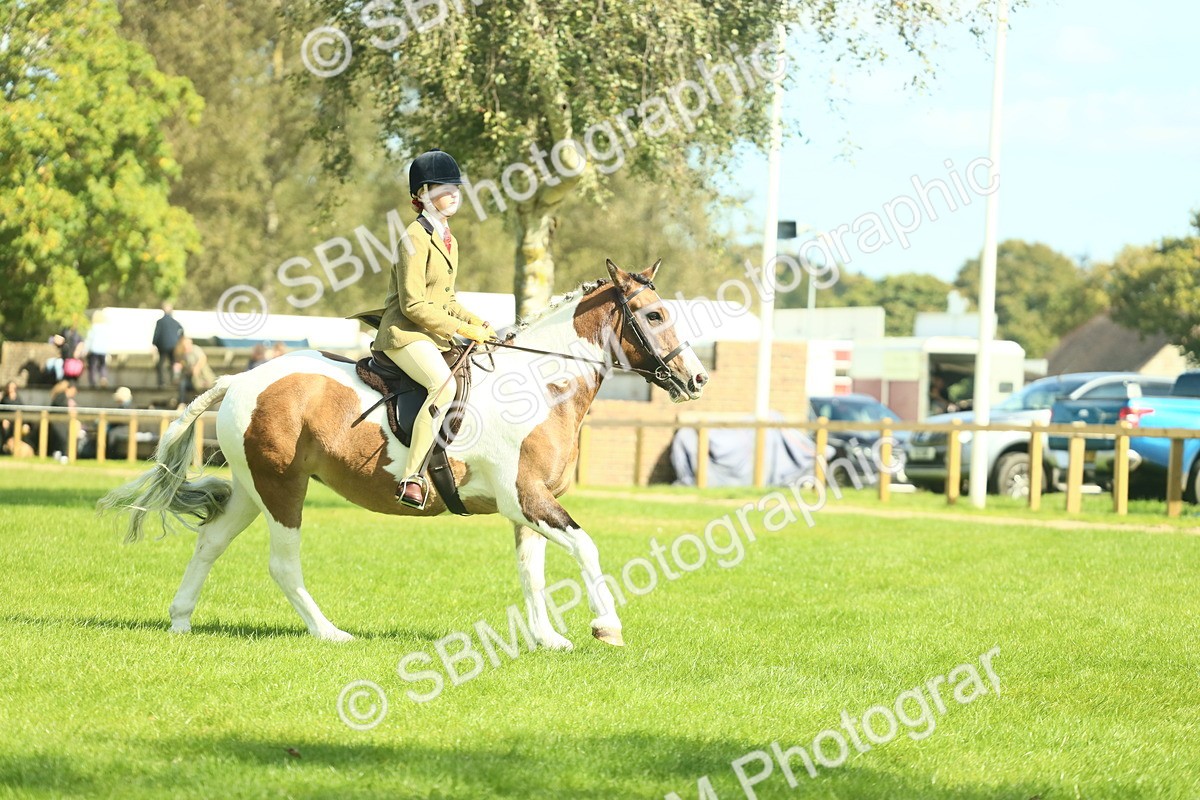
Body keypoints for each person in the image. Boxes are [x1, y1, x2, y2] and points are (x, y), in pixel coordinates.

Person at [351, 149, 494, 509]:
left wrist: (476, 323)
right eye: (445, 188)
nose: (455, 194)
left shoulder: (449, 239)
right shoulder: (412, 239)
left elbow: (446, 298)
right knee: (442, 389)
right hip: (404, 333)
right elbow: (414, 303)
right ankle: (411, 477)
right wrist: (462, 328)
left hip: (430, 332)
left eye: (456, 187)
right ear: (422, 194)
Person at [152, 303, 184, 387]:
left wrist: (154, 343)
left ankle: (161, 382)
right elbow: (182, 331)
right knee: (173, 363)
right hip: (173, 345)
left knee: (161, 364)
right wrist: (178, 340)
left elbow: (157, 334)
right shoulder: (175, 322)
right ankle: (174, 379)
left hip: (162, 346)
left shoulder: (160, 322)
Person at [177, 337, 215, 407]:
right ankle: (182, 403)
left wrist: (197, 367)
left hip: (203, 377)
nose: (186, 347)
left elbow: (203, 358)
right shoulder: (185, 354)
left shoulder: (195, 349)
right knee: (183, 383)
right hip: (193, 379)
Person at [84, 310, 117, 388]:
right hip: (103, 350)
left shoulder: (93, 327)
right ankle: (103, 377)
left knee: (92, 366)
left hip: (94, 349)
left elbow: (89, 339)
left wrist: (85, 350)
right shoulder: (106, 327)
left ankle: (93, 382)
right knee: (102, 365)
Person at [0, 380, 22, 450]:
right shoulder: (4, 398)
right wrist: (4, 419)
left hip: (16, 420)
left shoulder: (18, 399)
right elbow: (2, 411)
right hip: (6, 420)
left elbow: (21, 410)